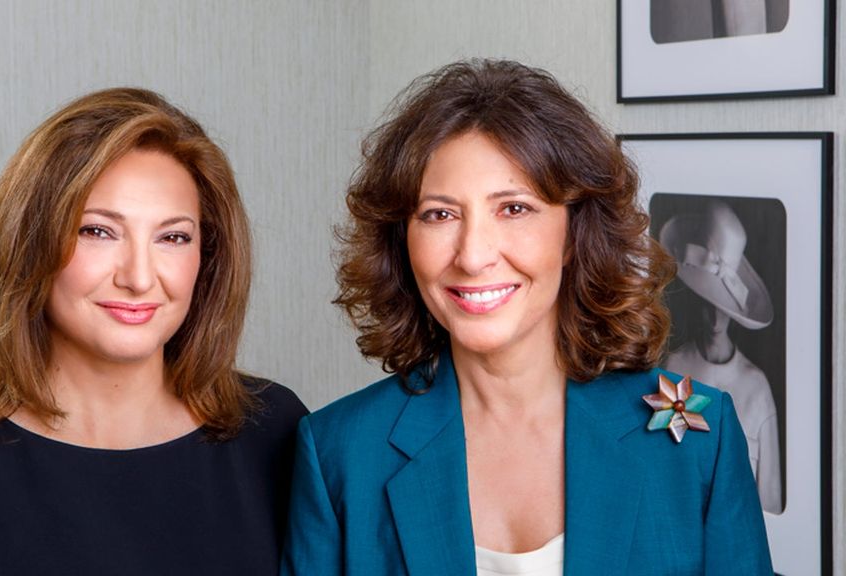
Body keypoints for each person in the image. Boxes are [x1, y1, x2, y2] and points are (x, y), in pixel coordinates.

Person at [281, 59, 772, 575]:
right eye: (439, 214)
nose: (473, 256)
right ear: (402, 240)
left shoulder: (701, 438)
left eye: (513, 208)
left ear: (574, 234)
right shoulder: (339, 452)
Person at [0, 87, 307, 575]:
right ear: (30, 243)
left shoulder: (277, 434)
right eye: (98, 231)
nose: (139, 277)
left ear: (206, 259)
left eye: (173, 237)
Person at [660, 199, 783, 513]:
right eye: (708, 304)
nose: (715, 318)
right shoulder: (673, 367)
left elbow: (770, 502)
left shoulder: (756, 387)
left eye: (723, 307)